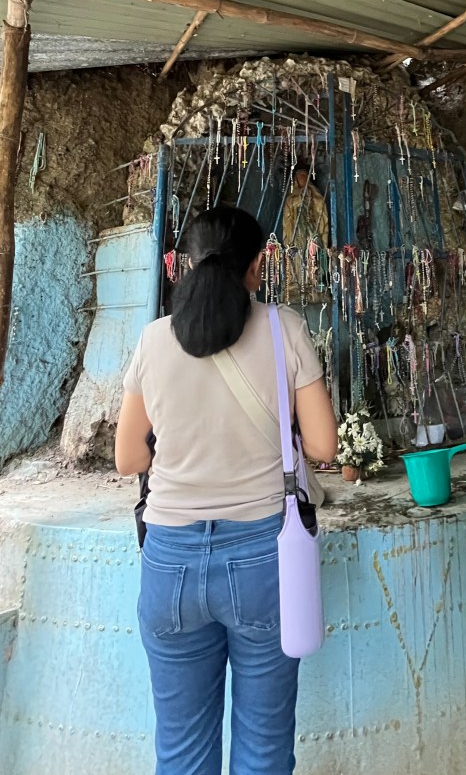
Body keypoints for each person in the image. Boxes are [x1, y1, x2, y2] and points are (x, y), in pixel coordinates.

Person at [115, 206, 338, 775]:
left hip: (168, 562)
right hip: (264, 559)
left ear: (185, 265)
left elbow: (129, 458)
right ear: (258, 264)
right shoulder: (283, 328)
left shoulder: (153, 340)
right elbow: (324, 447)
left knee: (182, 755)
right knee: (263, 751)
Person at [282, 163, 328, 249]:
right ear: (296, 179)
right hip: (298, 230)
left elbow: (321, 207)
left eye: (304, 175)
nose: (303, 177)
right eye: (300, 175)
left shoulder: (314, 193)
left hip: (312, 227)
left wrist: (310, 199)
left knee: (314, 248)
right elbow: (287, 217)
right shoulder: (291, 198)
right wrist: (299, 200)